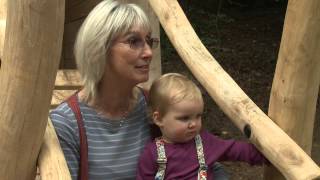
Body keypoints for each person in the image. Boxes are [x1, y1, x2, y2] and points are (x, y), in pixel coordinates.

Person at [50, 1, 228, 179]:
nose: (149, 52)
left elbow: (204, 160)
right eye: (133, 41)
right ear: (99, 48)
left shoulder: (155, 105)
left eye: (149, 41)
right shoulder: (68, 122)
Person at [136, 73, 269, 179]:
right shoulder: (152, 154)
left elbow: (234, 150)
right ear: (159, 119)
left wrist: (268, 155)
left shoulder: (204, 141)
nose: (193, 124)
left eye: (198, 116)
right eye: (184, 118)